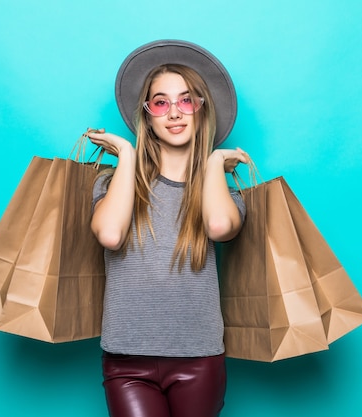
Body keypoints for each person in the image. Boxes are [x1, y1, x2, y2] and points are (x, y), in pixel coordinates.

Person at [87, 41, 248, 417]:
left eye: (186, 100)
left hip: (198, 358)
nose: (174, 113)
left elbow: (220, 226)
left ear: (201, 109)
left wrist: (212, 164)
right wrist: (127, 154)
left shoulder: (225, 191)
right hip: (126, 359)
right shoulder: (112, 185)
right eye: (160, 102)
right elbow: (110, 235)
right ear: (147, 115)